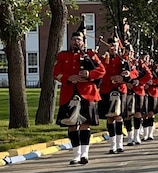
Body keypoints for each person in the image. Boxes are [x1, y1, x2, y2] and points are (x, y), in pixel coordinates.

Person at [54, 23, 106, 165]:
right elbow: (56, 73)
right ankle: (75, 155)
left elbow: (102, 71)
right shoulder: (63, 55)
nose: (76, 42)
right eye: (74, 40)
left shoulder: (90, 55)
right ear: (70, 41)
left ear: (83, 42)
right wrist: (68, 78)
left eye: (79, 40)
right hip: (69, 93)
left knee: (84, 124)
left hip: (87, 93)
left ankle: (84, 154)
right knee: (71, 125)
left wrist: (89, 74)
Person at [98, 36, 137, 154]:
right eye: (110, 45)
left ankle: (120, 144)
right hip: (106, 89)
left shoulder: (124, 59)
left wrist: (127, 74)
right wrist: (110, 78)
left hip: (120, 89)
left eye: (114, 45)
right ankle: (112, 144)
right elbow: (100, 73)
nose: (112, 47)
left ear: (117, 46)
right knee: (110, 117)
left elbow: (134, 72)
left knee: (119, 116)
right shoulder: (104, 59)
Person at [143, 56, 158, 141]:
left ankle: (150, 134)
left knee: (151, 114)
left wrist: (152, 82)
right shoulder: (140, 67)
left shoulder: (155, 68)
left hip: (153, 93)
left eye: (146, 58)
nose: (145, 60)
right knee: (144, 114)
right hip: (143, 92)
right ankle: (145, 134)